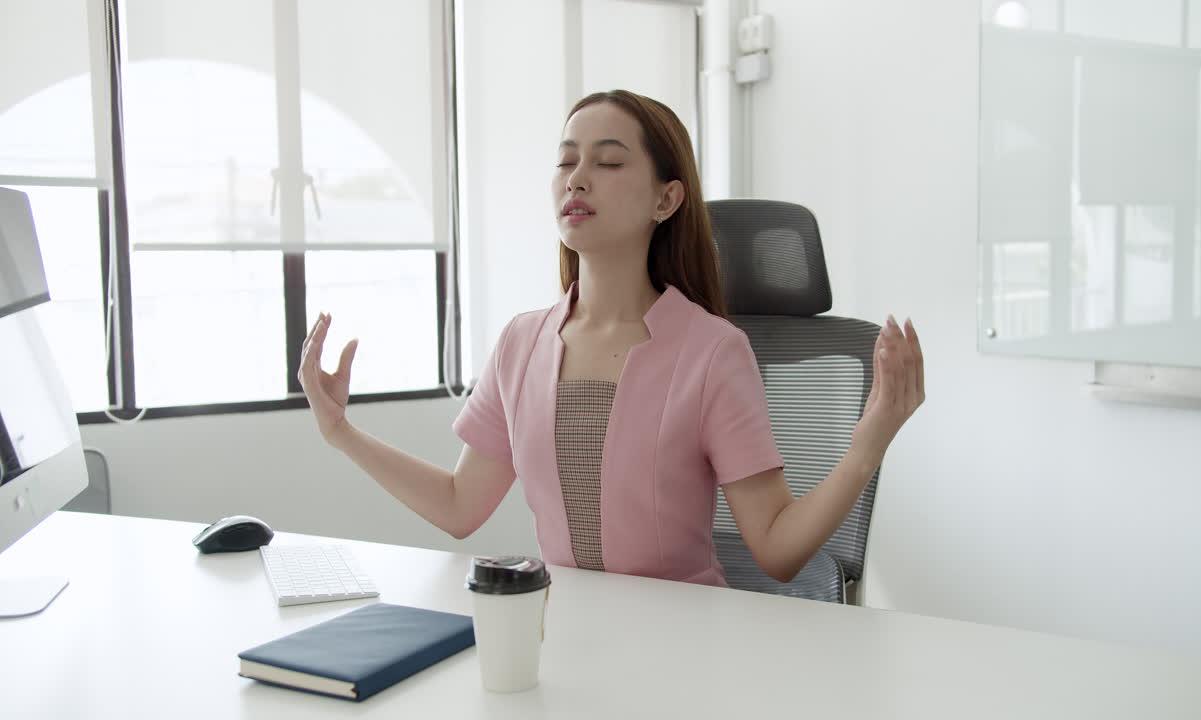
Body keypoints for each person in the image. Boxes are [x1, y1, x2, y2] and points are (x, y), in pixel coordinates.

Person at [299, 90, 924, 588]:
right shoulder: (521, 342)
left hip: (680, 643)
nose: (577, 178)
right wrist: (340, 433)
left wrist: (868, 442)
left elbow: (777, 552)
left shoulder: (713, 351)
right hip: (561, 631)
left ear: (665, 198)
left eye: (609, 161)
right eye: (567, 160)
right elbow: (461, 505)